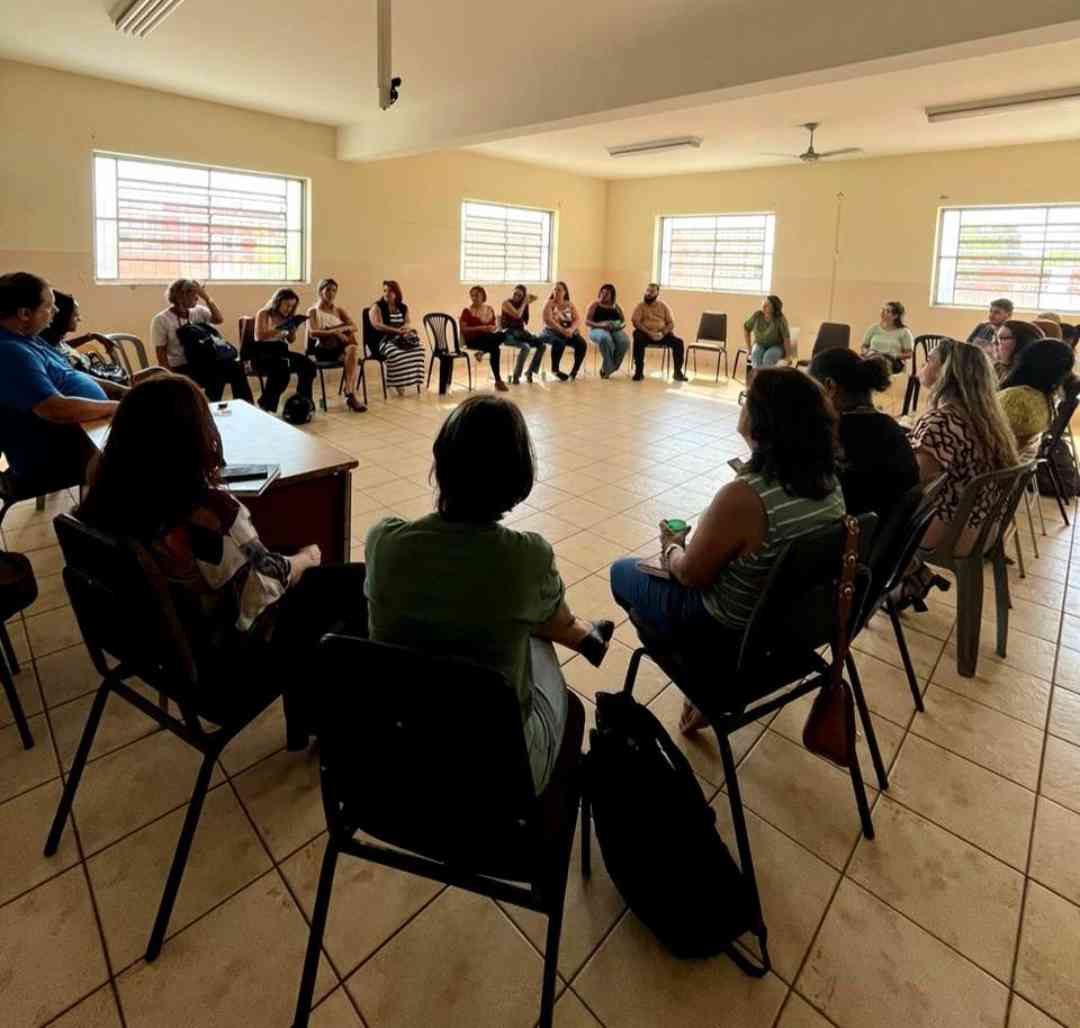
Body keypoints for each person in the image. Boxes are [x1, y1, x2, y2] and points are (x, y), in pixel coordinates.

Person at [76, 375, 367, 749]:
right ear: (198, 438)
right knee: (351, 582)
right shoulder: (215, 517)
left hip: (154, 646)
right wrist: (305, 559)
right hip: (225, 664)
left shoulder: (104, 495)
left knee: (299, 566)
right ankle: (332, 719)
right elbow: (264, 592)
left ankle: (308, 717)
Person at [364, 395, 615, 794]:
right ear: (517, 475)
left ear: (441, 460)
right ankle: (582, 634)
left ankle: (582, 633)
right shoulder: (526, 557)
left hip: (400, 754)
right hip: (500, 774)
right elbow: (546, 612)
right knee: (533, 631)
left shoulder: (383, 541)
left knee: (514, 613)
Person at [609, 368, 845, 733]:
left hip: (724, 628)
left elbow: (689, 574)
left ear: (763, 421)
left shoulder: (746, 497)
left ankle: (698, 677)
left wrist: (672, 547)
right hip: (787, 627)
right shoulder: (830, 484)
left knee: (622, 572)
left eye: (747, 399)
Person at [0, 272, 120, 496]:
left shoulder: (29, 338)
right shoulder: (11, 352)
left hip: (79, 434)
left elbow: (70, 374)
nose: (55, 312)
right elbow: (55, 409)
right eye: (49, 306)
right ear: (25, 313)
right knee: (150, 453)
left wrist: (124, 392)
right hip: (49, 458)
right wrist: (119, 407)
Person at [908, 340, 1019, 554]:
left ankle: (896, 581)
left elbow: (914, 481)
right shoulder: (987, 417)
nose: (923, 364)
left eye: (929, 360)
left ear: (945, 372)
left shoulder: (942, 421)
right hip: (984, 528)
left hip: (950, 530)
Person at [809, 349, 919, 525]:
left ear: (830, 387)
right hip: (890, 539)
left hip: (853, 541)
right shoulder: (893, 428)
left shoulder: (832, 434)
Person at [150, 279, 253, 403]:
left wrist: (207, 297)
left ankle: (246, 405)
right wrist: (171, 378)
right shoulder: (161, 320)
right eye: (195, 294)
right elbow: (161, 354)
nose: (197, 298)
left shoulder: (198, 311)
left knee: (236, 367)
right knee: (217, 372)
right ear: (182, 295)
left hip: (205, 362)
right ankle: (209, 408)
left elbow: (218, 319)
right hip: (182, 366)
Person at [999, 338, 1077, 457]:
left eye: (1002, 339)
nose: (996, 345)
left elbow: (983, 434)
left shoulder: (1017, 399)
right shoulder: (1046, 397)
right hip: (1013, 463)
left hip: (993, 464)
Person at [253, 288, 317, 414]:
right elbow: (259, 336)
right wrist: (280, 328)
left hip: (282, 351)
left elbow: (291, 340)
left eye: (292, 306)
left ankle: (304, 400)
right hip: (263, 353)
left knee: (308, 365)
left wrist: (292, 329)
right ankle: (266, 404)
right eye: (287, 305)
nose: (289, 309)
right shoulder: (264, 313)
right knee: (282, 371)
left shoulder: (288, 317)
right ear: (278, 302)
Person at [306, 278, 366, 413]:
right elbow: (313, 332)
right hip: (323, 348)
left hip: (340, 347)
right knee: (352, 355)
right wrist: (336, 332)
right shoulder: (313, 311)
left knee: (352, 349)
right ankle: (350, 394)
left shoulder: (339, 310)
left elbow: (354, 327)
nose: (331, 293)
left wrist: (338, 331)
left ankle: (349, 391)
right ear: (320, 292)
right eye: (328, 290)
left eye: (334, 291)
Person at [368, 280, 425, 395]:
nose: (387, 293)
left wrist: (405, 329)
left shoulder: (403, 307)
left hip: (400, 338)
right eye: (385, 291)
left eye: (390, 291)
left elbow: (407, 322)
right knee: (395, 353)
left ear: (396, 293)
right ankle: (398, 383)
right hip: (382, 341)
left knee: (418, 350)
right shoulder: (377, 306)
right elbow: (377, 325)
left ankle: (409, 380)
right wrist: (396, 331)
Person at [631, 283, 687, 382]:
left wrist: (663, 333)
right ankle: (639, 372)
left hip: (661, 335)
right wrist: (649, 333)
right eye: (647, 291)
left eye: (651, 292)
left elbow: (671, 323)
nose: (648, 293)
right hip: (645, 334)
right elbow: (635, 321)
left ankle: (678, 373)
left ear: (657, 293)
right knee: (637, 336)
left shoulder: (663, 306)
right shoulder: (640, 306)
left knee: (678, 342)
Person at [459, 286, 509, 392]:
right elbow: (464, 329)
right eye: (472, 295)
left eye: (476, 295)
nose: (474, 298)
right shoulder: (467, 311)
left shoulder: (489, 309)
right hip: (473, 341)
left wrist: (492, 328)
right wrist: (482, 327)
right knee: (496, 348)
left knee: (503, 335)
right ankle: (498, 381)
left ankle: (482, 352)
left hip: (487, 338)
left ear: (483, 295)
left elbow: (494, 326)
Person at [540, 282, 588, 381]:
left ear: (565, 292)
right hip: (551, 331)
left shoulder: (569, 304)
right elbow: (548, 321)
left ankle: (574, 371)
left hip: (567, 331)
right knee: (559, 342)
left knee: (582, 343)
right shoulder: (549, 303)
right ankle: (555, 370)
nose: (556, 291)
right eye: (555, 289)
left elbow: (577, 319)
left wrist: (571, 329)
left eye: (559, 290)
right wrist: (563, 330)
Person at [499, 285, 546, 384]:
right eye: (515, 293)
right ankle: (516, 376)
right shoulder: (506, 303)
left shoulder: (522, 305)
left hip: (520, 334)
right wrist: (524, 302)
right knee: (526, 347)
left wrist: (526, 301)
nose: (516, 296)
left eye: (519, 295)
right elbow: (517, 315)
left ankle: (530, 371)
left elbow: (524, 322)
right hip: (508, 334)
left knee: (542, 345)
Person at [585, 283, 630, 378]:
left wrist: (618, 327)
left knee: (624, 341)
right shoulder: (594, 305)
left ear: (612, 296)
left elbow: (623, 322)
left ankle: (608, 368)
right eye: (602, 293)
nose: (603, 295)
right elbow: (587, 321)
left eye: (606, 294)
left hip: (614, 329)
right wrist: (601, 325)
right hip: (597, 329)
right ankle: (610, 368)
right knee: (605, 338)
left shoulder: (617, 306)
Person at [861, 301, 914, 373]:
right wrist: (867, 352)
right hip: (872, 357)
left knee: (878, 365)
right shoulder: (874, 328)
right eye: (883, 310)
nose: (882, 313)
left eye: (887, 311)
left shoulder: (904, 332)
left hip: (893, 361)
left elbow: (909, 354)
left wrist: (894, 355)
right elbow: (864, 346)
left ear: (895, 316)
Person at [743, 295, 792, 372]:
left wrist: (788, 356)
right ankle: (758, 380)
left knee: (768, 357)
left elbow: (786, 338)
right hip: (759, 344)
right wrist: (749, 348)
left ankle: (767, 381)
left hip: (776, 346)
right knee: (755, 355)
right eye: (764, 302)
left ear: (774, 308)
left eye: (768, 304)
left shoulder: (780, 319)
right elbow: (746, 328)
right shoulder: (757, 315)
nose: (764, 305)